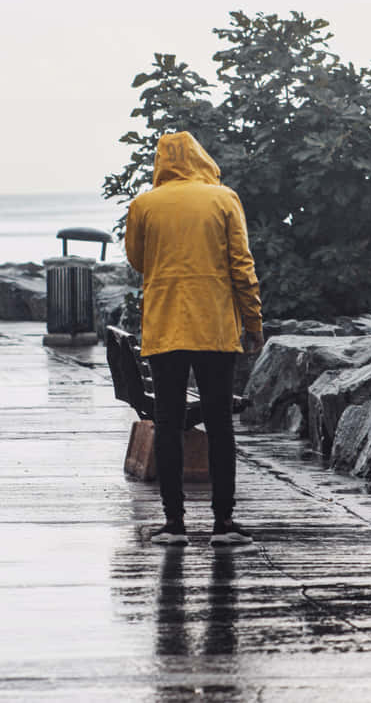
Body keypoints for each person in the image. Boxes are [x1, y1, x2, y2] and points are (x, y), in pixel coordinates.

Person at [125, 131, 264, 546]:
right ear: (200, 157)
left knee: (167, 425)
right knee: (220, 424)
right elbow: (242, 265)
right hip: (215, 327)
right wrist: (253, 321)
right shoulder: (223, 198)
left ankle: (174, 525)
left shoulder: (144, 204)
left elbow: (137, 259)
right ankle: (223, 524)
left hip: (165, 326)